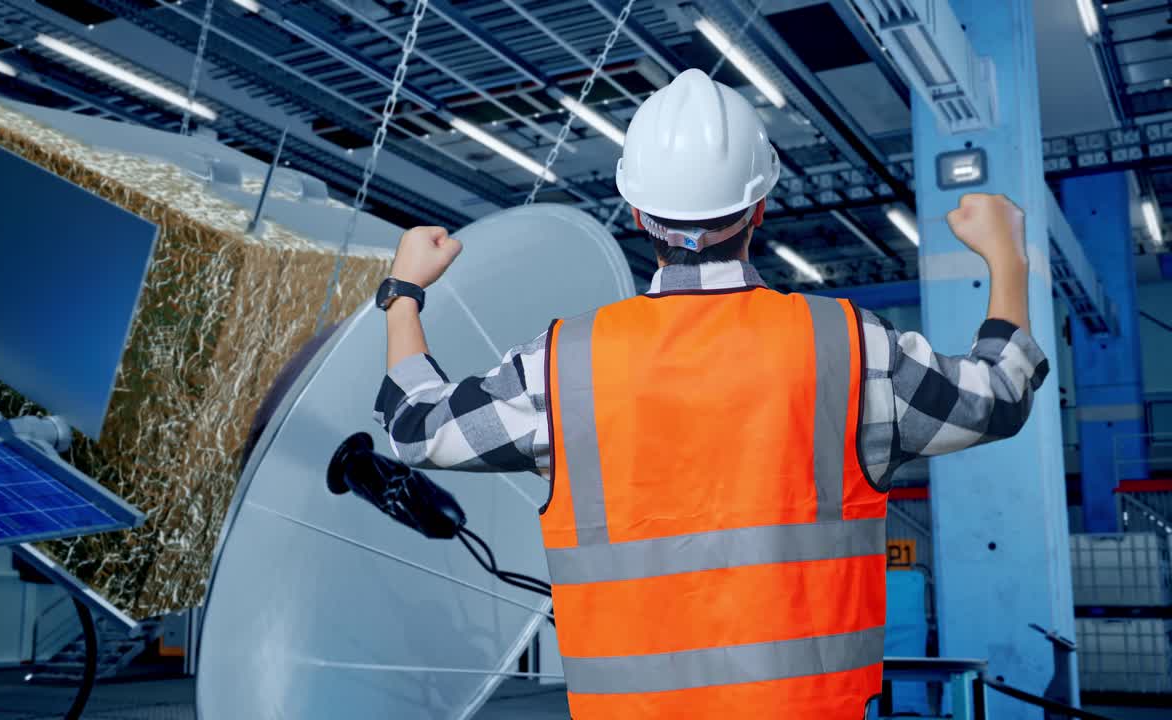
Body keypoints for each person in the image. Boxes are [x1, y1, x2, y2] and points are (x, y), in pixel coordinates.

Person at [371, 69, 1047, 719]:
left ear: (637, 211)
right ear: (760, 206)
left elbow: (416, 425)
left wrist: (404, 295)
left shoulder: (562, 366)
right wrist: (1007, 261)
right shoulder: (849, 347)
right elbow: (1002, 392)